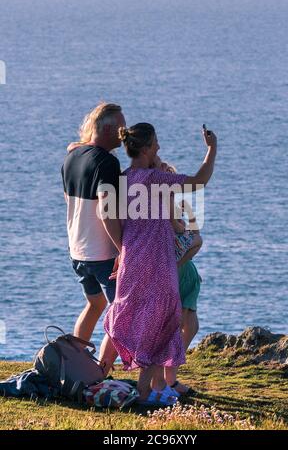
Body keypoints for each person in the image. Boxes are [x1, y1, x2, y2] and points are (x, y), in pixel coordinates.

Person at [102, 122, 217, 405]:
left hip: (131, 260)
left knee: (129, 316)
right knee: (164, 322)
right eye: (156, 144)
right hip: (158, 262)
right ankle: (143, 393)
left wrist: (122, 250)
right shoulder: (156, 179)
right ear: (145, 148)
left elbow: (112, 220)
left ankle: (118, 379)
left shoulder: (123, 179)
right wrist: (212, 149)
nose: (159, 148)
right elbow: (200, 181)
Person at [61, 102, 125, 351]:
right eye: (122, 128)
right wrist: (122, 249)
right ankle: (99, 372)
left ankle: (76, 361)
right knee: (121, 310)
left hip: (76, 250)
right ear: (108, 130)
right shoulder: (107, 163)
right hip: (102, 252)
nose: (126, 133)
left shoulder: (72, 157)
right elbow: (107, 209)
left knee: (95, 304)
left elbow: (69, 200)